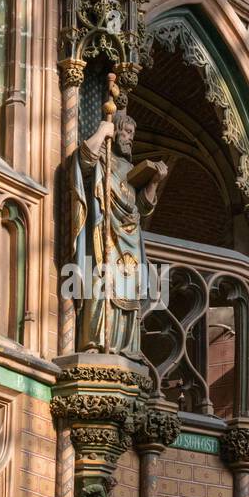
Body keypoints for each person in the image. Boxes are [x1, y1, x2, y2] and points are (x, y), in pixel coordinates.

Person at [71, 77, 169, 360]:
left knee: (129, 292)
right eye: (125, 134)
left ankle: (126, 346)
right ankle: (96, 340)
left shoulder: (128, 167)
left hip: (130, 240)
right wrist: (103, 130)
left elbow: (142, 207)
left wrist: (154, 182)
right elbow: (84, 160)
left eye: (131, 137)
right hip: (104, 233)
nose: (129, 140)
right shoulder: (103, 158)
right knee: (103, 285)